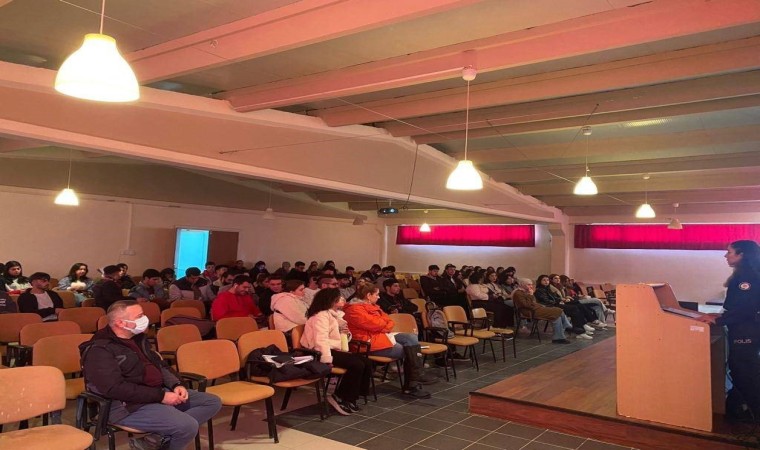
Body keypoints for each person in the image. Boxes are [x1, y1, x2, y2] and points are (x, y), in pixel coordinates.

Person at [80, 300, 222, 450]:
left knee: (211, 402)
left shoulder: (137, 338)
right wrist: (161, 396)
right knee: (187, 426)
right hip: (126, 406)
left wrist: (176, 384)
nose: (145, 319)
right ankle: (165, 436)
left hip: (154, 393)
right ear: (121, 323)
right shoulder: (99, 349)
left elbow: (159, 365)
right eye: (139, 316)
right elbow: (114, 388)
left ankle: (155, 440)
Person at [700, 240, 760, 422]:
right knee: (742, 370)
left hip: (746, 332)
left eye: (730, 252)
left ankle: (755, 414)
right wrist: (719, 316)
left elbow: (745, 309)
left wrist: (719, 320)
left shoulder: (747, 278)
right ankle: (734, 408)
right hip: (744, 329)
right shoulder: (746, 274)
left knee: (743, 371)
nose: (725, 255)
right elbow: (739, 307)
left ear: (742, 255)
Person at [343, 282, 435, 398]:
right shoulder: (354, 310)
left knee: (411, 338)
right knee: (407, 350)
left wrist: (383, 325)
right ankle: (412, 385)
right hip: (366, 342)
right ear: (368, 295)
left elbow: (389, 320)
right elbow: (376, 324)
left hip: (380, 335)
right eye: (376, 294)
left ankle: (417, 375)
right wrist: (384, 324)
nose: (379, 297)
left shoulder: (372, 306)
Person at [301, 288, 371, 415]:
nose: (342, 300)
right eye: (339, 298)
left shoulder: (334, 315)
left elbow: (339, 337)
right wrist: (327, 360)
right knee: (357, 364)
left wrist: (345, 333)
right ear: (331, 300)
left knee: (366, 362)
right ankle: (339, 397)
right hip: (317, 351)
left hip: (332, 348)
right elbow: (320, 340)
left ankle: (352, 396)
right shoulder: (321, 316)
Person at [512, 278, 574, 344]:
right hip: (529, 312)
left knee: (556, 316)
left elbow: (533, 302)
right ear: (522, 285)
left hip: (536, 309)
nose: (531, 286)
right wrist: (531, 295)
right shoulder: (518, 293)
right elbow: (526, 305)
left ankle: (559, 337)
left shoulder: (527, 291)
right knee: (558, 310)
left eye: (531, 284)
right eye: (528, 284)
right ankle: (567, 327)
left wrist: (535, 300)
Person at [534, 274, 594, 339]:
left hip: (555, 304)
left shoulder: (548, 289)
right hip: (550, 306)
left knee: (578, 306)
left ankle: (581, 328)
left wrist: (561, 300)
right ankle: (580, 331)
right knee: (574, 308)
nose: (546, 282)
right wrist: (559, 301)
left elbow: (555, 297)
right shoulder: (539, 290)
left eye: (547, 280)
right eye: (544, 280)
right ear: (540, 281)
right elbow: (546, 300)